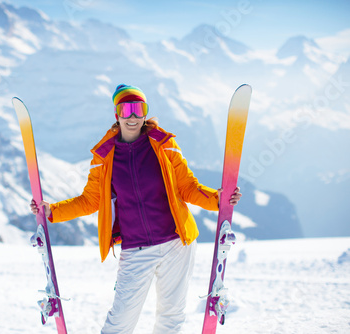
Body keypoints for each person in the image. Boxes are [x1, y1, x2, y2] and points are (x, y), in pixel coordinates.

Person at [30, 84, 242, 333]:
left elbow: (188, 187)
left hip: (177, 244)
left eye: (138, 109)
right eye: (126, 109)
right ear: (116, 114)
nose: (132, 116)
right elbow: (90, 200)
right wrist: (52, 211)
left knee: (170, 318)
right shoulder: (104, 157)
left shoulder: (164, 145)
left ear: (145, 113)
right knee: (119, 322)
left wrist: (217, 200)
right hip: (135, 250)